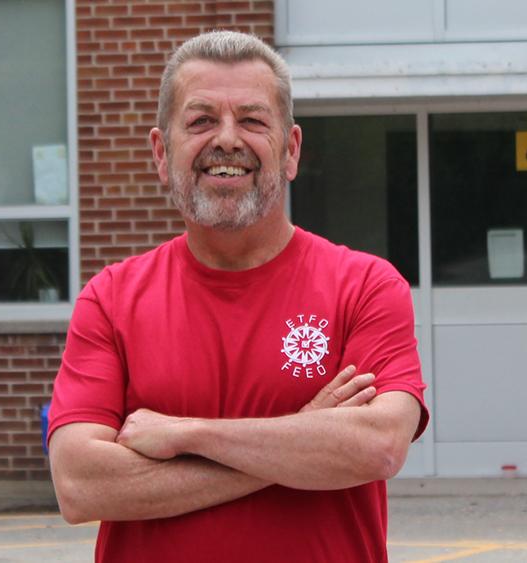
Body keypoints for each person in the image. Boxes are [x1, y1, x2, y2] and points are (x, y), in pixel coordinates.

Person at [46, 30, 429, 563]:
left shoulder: (364, 285)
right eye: (202, 120)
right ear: (162, 153)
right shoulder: (111, 299)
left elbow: (379, 445)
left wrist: (187, 433)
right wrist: (301, 438)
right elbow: (80, 485)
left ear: (290, 150)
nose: (227, 140)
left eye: (252, 120)